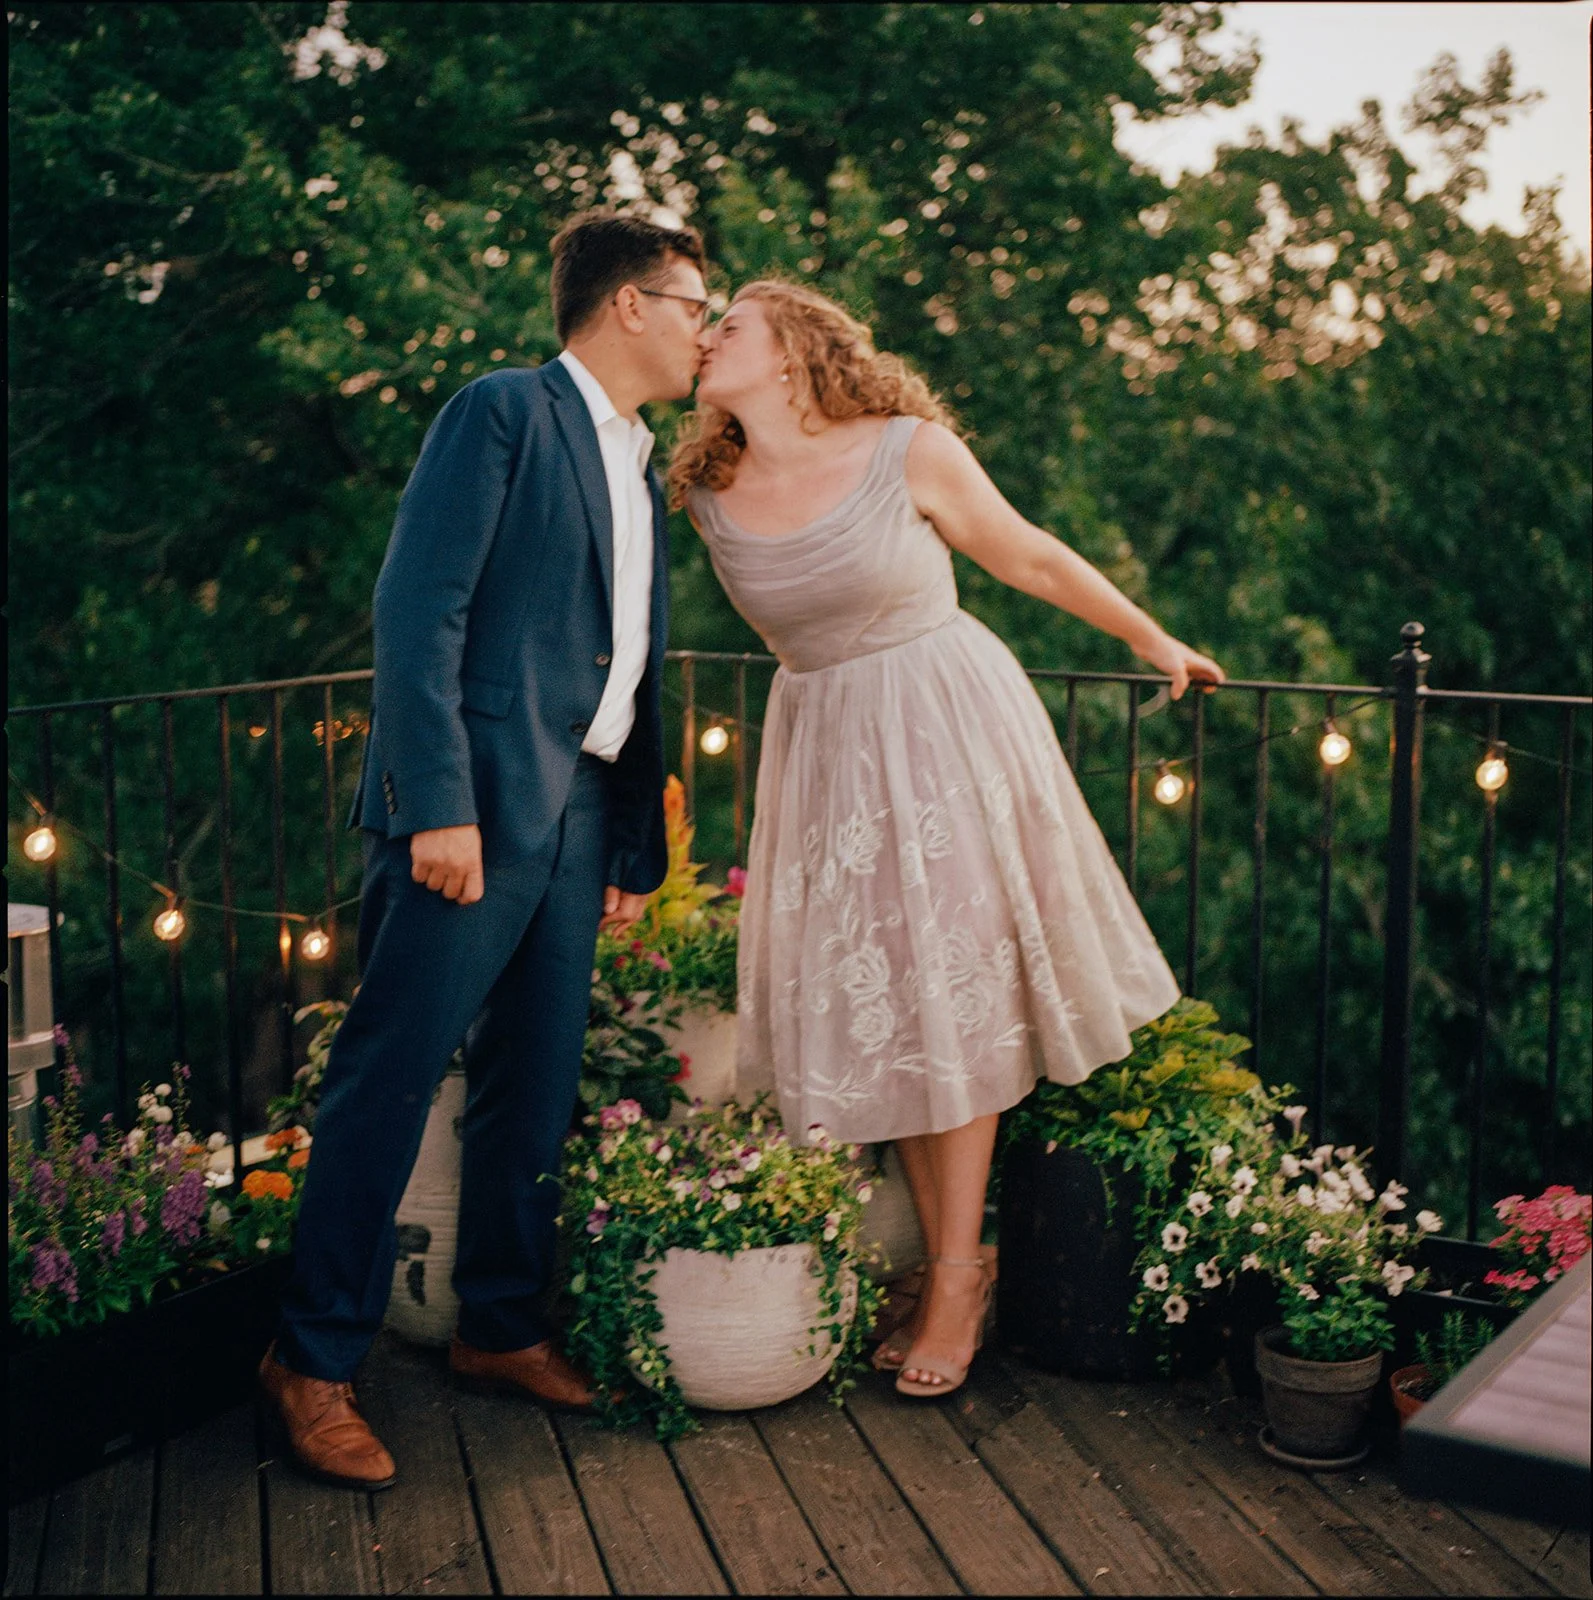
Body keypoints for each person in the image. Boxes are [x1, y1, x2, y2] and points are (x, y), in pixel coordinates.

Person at [669, 279, 1225, 1399]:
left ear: (792, 353)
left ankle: (958, 1277)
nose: (706, 336)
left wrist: (1151, 639)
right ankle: (949, 1263)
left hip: (944, 727)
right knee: (891, 1005)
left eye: (729, 324)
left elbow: (1029, 556)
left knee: (951, 994)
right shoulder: (704, 489)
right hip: (824, 752)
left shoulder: (906, 450)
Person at [260, 211, 712, 1488]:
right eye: (694, 304)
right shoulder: (504, 410)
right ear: (629, 304)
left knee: (536, 1080)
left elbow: (627, 664)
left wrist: (625, 846)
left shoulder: (638, 463)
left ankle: (500, 1327)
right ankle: (312, 1361)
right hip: (474, 810)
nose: (704, 329)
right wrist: (436, 806)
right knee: (389, 1079)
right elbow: (420, 608)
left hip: (581, 816)